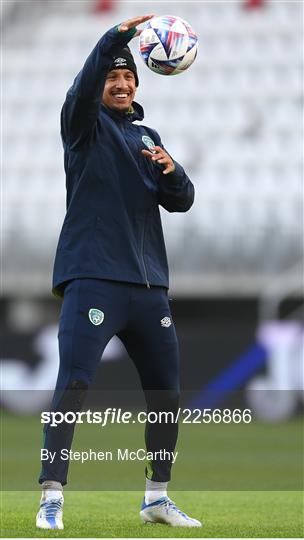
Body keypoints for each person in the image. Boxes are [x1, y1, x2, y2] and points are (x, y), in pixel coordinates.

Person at [36, 14, 201, 530]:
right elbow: (80, 92)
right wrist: (114, 39)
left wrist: (172, 172)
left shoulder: (148, 135)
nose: (123, 83)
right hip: (94, 276)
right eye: (113, 77)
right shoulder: (83, 127)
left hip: (150, 285)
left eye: (129, 77)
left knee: (167, 393)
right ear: (100, 85)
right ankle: (52, 496)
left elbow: (183, 201)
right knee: (76, 384)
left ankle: (156, 498)